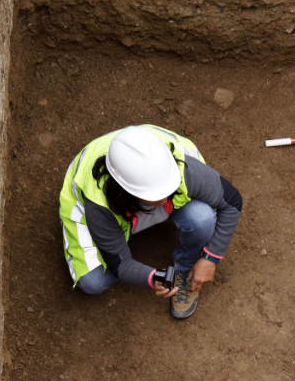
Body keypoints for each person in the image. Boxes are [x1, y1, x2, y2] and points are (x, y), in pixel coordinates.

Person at [58, 125, 243, 318]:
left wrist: (211, 258)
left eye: (168, 188)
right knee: (92, 281)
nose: (164, 198)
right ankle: (123, 227)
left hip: (145, 176)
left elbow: (232, 202)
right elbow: (120, 264)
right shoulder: (98, 204)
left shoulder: (182, 169)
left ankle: (185, 268)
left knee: (202, 217)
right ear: (126, 190)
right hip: (103, 205)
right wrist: (152, 278)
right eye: (154, 195)